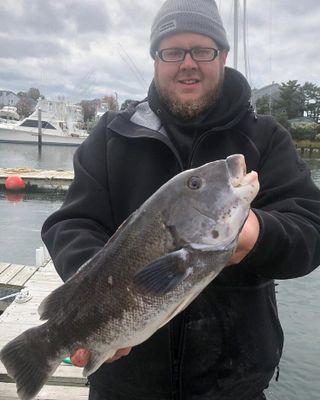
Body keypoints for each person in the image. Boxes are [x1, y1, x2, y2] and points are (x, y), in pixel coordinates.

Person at [41, 0, 320, 399]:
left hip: (233, 385)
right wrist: (95, 300)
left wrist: (259, 234)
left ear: (222, 55)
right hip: (124, 382)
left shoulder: (265, 138)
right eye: (172, 51)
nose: (187, 63)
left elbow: (312, 229)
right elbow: (71, 224)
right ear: (156, 59)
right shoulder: (111, 137)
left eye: (202, 50)